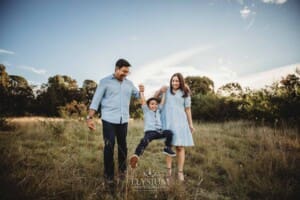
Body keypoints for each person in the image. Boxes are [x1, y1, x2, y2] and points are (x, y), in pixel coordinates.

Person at [86, 58, 144, 183]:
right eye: (123, 71)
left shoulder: (129, 83)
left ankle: (122, 173)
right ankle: (109, 176)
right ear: (116, 69)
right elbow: (95, 101)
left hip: (123, 121)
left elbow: (140, 98)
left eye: (127, 72)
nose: (125, 74)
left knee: (123, 147)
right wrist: (90, 118)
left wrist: (142, 92)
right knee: (109, 146)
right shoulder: (105, 82)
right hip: (108, 120)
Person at [155, 72, 194, 182]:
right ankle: (169, 172)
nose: (174, 82)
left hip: (180, 122)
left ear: (180, 81)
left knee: (180, 147)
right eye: (173, 80)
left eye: (176, 81)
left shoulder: (185, 93)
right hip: (168, 122)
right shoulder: (166, 90)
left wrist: (190, 124)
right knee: (169, 146)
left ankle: (180, 172)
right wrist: (160, 90)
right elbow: (155, 97)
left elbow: (187, 109)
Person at [129, 88, 176, 169]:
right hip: (150, 132)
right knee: (144, 140)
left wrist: (164, 93)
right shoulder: (146, 110)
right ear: (148, 105)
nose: (154, 105)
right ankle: (136, 156)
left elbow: (162, 102)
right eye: (152, 104)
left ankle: (167, 148)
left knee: (169, 133)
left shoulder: (158, 110)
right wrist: (142, 92)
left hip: (159, 132)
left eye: (155, 104)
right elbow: (143, 101)